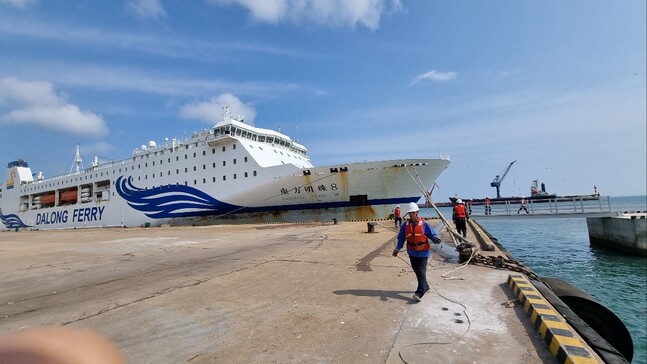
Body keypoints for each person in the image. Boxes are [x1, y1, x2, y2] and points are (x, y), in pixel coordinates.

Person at [392, 202, 441, 302]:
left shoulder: (424, 224)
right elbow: (401, 238)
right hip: (412, 252)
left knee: (421, 271)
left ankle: (420, 292)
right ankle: (425, 286)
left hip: (423, 252)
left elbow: (431, 234)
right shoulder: (405, 225)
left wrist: (435, 239)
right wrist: (397, 248)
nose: (412, 215)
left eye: (413, 213)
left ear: (417, 213)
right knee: (417, 271)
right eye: (410, 213)